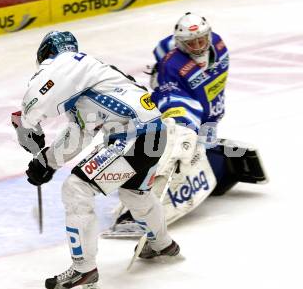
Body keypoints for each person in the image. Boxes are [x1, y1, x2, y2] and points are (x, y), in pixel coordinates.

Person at [11, 31, 199, 289]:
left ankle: (84, 272)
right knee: (135, 194)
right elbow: (79, 133)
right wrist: (47, 162)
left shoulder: (68, 61)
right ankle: (162, 245)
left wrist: (26, 123)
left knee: (76, 189)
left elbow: (36, 97)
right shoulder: (90, 81)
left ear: (46, 54)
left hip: (136, 137)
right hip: (151, 134)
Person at [105, 13, 267, 238]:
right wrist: (182, 126)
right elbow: (173, 101)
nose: (198, 46)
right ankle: (133, 213)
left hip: (209, 118)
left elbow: (162, 47)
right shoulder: (174, 69)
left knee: (206, 163)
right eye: (191, 42)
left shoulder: (217, 43)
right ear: (181, 44)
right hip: (181, 110)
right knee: (176, 151)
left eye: (201, 39)